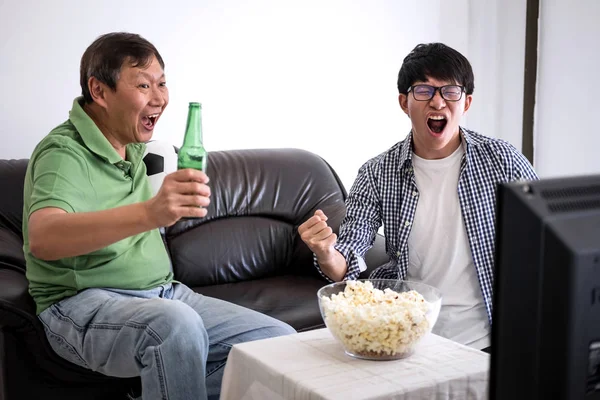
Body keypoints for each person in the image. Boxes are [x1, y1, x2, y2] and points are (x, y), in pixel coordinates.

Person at [23, 32, 295, 400]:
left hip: (162, 295)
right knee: (175, 325)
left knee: (278, 344)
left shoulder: (133, 146)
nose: (159, 97)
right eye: (143, 84)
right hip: (80, 304)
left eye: (162, 83)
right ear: (99, 91)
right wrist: (150, 213)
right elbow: (44, 237)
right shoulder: (62, 153)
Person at [298, 42, 538, 352]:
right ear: (404, 102)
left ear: (466, 103)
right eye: (424, 91)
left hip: (493, 337)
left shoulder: (501, 159)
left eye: (450, 92)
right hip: (409, 339)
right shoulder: (376, 173)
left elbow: (544, 238)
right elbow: (348, 260)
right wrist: (325, 252)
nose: (438, 103)